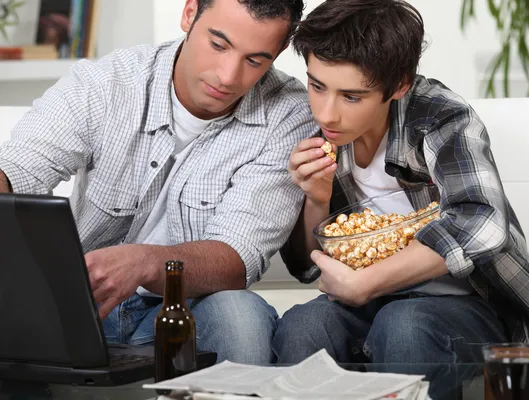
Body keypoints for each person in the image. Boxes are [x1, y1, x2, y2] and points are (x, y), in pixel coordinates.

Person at [274, 0, 529, 366]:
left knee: (404, 325)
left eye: (352, 96)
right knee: (303, 325)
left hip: (472, 305)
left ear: (399, 85)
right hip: (373, 306)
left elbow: (483, 224)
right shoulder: (323, 135)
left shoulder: (439, 116)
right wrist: (317, 198)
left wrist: (367, 283)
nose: (326, 112)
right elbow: (307, 267)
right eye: (317, 86)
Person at [0, 0, 318, 364]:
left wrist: (148, 263)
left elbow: (237, 257)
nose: (228, 76)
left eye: (255, 60)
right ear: (189, 14)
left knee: (240, 316)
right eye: (218, 44)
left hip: (190, 311)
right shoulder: (109, 82)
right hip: (79, 302)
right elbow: (16, 168)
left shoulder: (290, 115)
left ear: (277, 53)